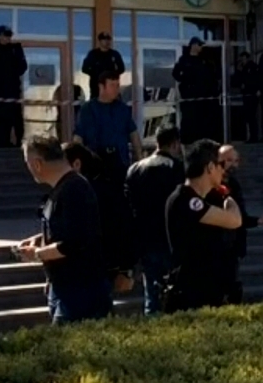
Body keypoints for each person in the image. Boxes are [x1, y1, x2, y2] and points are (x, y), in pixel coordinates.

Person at [16, 136, 112, 325]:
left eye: (27, 163)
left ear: (37, 164)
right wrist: (38, 240)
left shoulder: (75, 189)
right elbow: (64, 228)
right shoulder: (61, 188)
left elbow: (74, 242)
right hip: (63, 288)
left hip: (80, 291)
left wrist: (37, 254)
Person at [163, 139, 242, 312]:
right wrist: (228, 199)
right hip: (193, 292)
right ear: (210, 167)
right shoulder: (187, 200)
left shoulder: (195, 198)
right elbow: (234, 220)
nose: (224, 169)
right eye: (221, 164)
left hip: (206, 287)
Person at [63, 141, 138, 299]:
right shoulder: (69, 194)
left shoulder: (100, 192)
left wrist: (126, 269)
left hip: (100, 268)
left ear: (76, 164)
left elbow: (124, 227)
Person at [125, 126, 185, 316]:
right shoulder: (177, 169)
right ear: (175, 144)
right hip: (170, 239)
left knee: (152, 292)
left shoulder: (135, 169)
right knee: (174, 294)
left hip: (145, 239)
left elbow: (128, 206)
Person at [219, 144, 263, 303]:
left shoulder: (233, 184)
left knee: (232, 284)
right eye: (228, 161)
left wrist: (257, 221)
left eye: (235, 161)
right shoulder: (211, 185)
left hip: (233, 244)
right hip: (218, 245)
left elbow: (240, 216)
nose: (233, 165)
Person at [73, 70, 144, 172]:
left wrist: (140, 159)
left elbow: (133, 133)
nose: (116, 89)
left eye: (117, 85)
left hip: (119, 162)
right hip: (95, 162)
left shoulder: (122, 109)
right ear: (101, 87)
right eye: (112, 85)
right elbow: (78, 137)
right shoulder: (88, 109)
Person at [172, 37, 219, 145]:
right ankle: (187, 143)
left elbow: (210, 78)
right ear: (193, 45)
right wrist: (185, 83)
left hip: (202, 99)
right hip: (189, 98)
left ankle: (201, 143)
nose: (200, 48)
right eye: (199, 45)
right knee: (188, 122)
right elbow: (175, 74)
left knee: (201, 123)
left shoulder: (203, 60)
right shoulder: (184, 59)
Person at [81, 33, 125, 100]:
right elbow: (84, 68)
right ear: (100, 41)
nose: (107, 42)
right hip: (96, 87)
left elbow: (121, 68)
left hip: (111, 86)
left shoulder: (114, 54)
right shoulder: (93, 54)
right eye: (104, 40)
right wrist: (95, 74)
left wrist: (112, 76)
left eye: (108, 40)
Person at [231, 51, 260, 142]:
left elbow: (255, 80)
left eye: (243, 58)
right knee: (248, 116)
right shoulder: (243, 69)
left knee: (251, 116)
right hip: (246, 95)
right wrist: (238, 71)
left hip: (252, 95)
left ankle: (254, 136)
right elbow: (236, 81)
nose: (242, 61)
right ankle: (251, 136)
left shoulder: (253, 67)